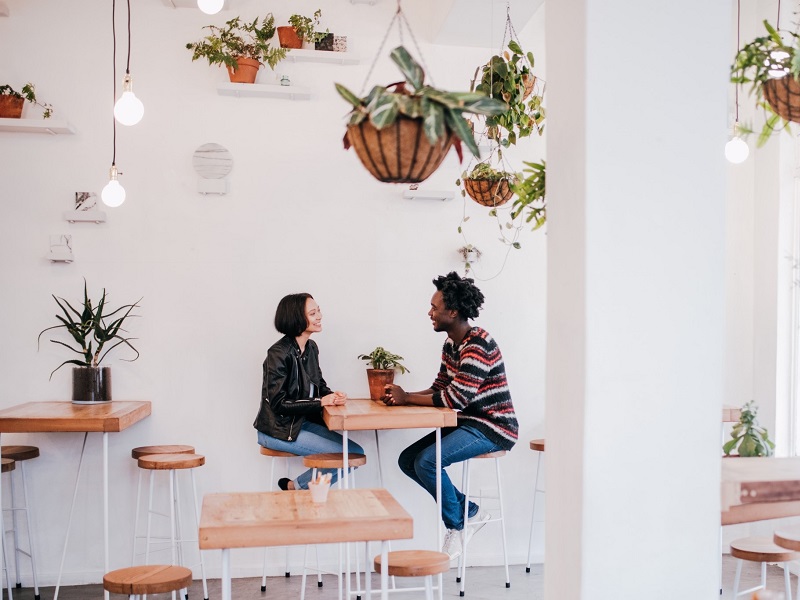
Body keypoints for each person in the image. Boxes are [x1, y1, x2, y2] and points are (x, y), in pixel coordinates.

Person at [383, 272, 518, 559]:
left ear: (453, 311)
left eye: (434, 307)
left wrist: (408, 398)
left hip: (494, 427)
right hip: (469, 422)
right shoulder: (451, 345)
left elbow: (456, 398)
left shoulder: (478, 345)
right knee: (408, 461)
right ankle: (469, 511)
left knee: (428, 461)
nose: (429, 312)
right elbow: (440, 388)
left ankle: (457, 527)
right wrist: (402, 398)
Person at [254, 293, 364, 490]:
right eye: (313, 313)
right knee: (346, 456)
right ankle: (299, 489)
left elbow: (318, 384)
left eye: (318, 310)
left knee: (355, 452)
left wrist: (332, 395)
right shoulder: (278, 354)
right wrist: (322, 402)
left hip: (301, 423)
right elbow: (279, 404)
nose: (320, 316)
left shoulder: (311, 348)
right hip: (277, 430)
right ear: (296, 319)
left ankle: (294, 487)